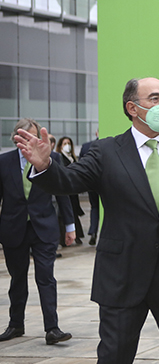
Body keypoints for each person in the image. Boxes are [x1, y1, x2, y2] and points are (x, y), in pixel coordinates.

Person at [14, 77, 159, 364]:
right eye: (154, 98)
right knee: (114, 356)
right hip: (122, 275)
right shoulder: (106, 151)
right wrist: (46, 166)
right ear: (132, 108)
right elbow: (69, 180)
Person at [0, 118, 75, 345]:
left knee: (45, 277)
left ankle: (52, 328)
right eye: (25, 137)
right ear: (17, 138)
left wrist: (70, 227)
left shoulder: (52, 158)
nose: (30, 141)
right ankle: (16, 324)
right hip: (14, 228)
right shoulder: (4, 162)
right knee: (17, 278)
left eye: (34, 137)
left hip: (44, 228)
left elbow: (63, 192)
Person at [56, 136, 85, 245]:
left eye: (69, 143)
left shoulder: (72, 158)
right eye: (65, 143)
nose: (67, 146)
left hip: (73, 191)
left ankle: (76, 235)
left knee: (73, 212)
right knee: (66, 213)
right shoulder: (59, 158)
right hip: (66, 190)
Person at [80, 131, 101, 245]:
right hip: (104, 182)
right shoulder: (109, 145)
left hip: (91, 183)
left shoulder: (86, 146)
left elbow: (81, 165)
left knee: (94, 207)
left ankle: (93, 231)